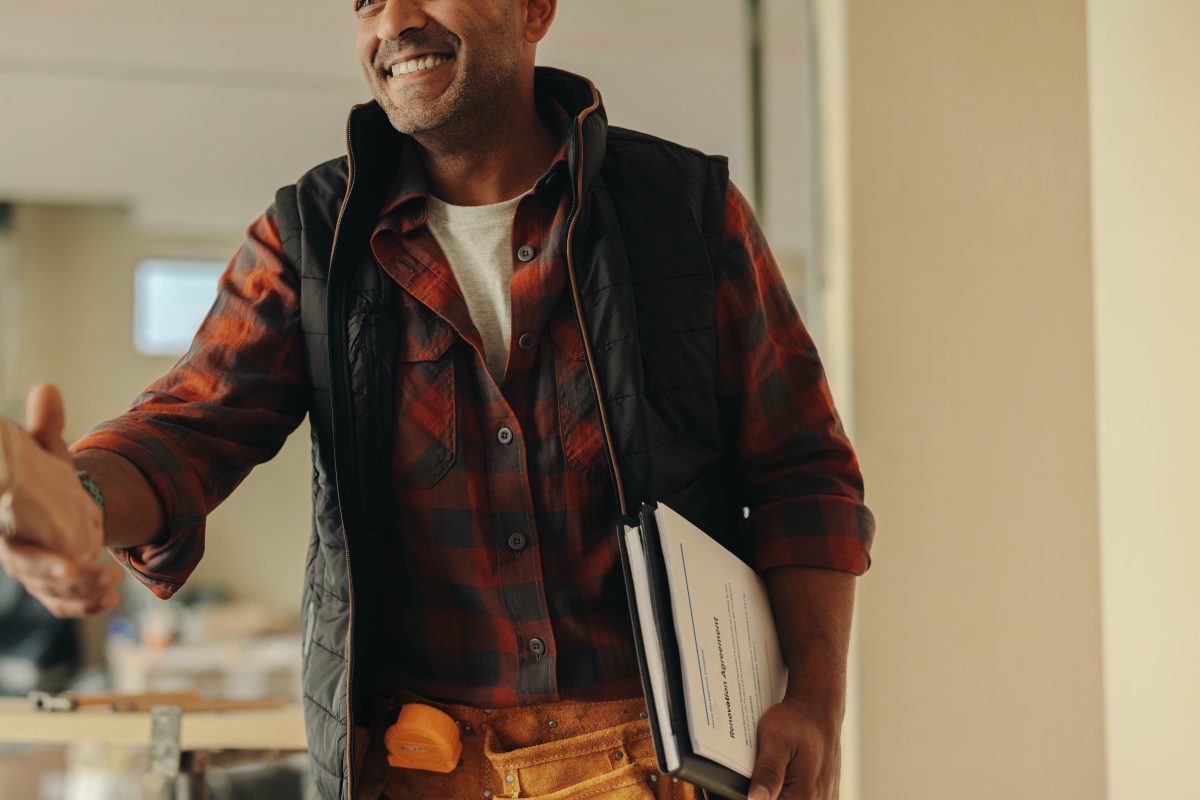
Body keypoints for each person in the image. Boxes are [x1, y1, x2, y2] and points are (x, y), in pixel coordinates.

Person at [0, 1, 874, 798]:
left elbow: (805, 475)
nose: (396, 22)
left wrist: (818, 700)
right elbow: (187, 431)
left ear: (535, 11)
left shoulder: (685, 213)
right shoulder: (310, 235)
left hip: (659, 761)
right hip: (421, 768)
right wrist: (77, 501)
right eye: (368, 2)